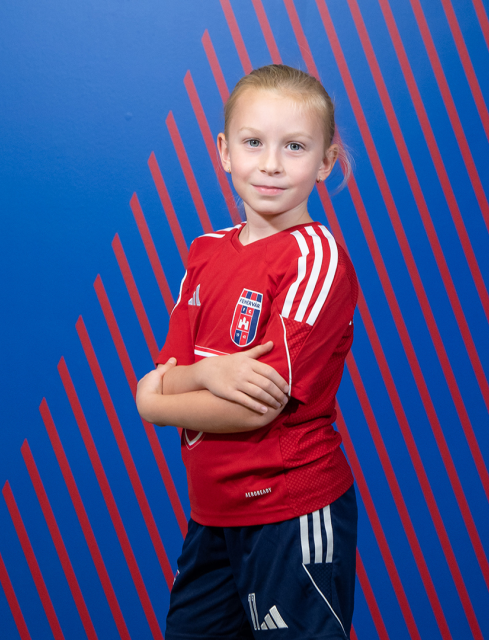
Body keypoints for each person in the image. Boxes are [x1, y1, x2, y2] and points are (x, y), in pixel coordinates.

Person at [136, 64, 359, 639]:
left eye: (295, 146)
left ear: (326, 162)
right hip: (212, 513)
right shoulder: (206, 251)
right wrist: (209, 373)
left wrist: (153, 403)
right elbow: (172, 372)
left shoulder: (315, 259)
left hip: (288, 510)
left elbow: (252, 407)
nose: (271, 164)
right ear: (224, 151)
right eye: (253, 142)